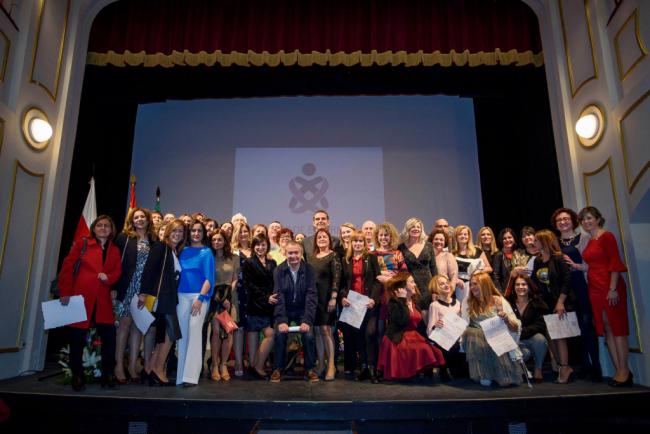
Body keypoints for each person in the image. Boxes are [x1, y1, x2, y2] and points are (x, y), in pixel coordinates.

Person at [58, 215, 122, 391]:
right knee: (77, 338)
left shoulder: (114, 249)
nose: (103, 228)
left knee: (109, 337)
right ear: (94, 228)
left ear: (111, 230)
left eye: (107, 226)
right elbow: (68, 267)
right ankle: (77, 375)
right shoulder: (83, 244)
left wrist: (108, 278)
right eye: (100, 225)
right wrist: (65, 292)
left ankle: (107, 374)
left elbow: (117, 271)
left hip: (102, 299)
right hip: (81, 298)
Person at [579, 206, 632, 387]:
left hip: (610, 286)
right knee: (607, 327)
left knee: (617, 328)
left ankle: (624, 371)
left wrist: (612, 288)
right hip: (594, 288)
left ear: (598, 219)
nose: (586, 222)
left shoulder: (607, 236)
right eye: (584, 219)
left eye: (589, 218)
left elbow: (614, 263)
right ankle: (619, 370)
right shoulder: (591, 240)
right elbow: (590, 265)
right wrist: (577, 266)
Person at [552, 207, 602, 381]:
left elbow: (594, 264)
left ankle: (596, 367)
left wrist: (577, 266)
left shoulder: (585, 238)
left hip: (583, 286)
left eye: (566, 219)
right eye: (559, 220)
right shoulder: (555, 243)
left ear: (573, 221)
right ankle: (583, 366)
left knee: (587, 326)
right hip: (565, 291)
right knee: (574, 331)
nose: (563, 222)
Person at [112, 207, 157, 384]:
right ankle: (118, 366)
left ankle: (132, 366)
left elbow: (153, 268)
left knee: (138, 327)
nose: (139, 220)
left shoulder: (154, 240)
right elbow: (115, 263)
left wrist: (146, 291)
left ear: (148, 220)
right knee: (124, 324)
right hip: (126, 286)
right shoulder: (124, 238)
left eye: (142, 217)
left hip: (144, 290)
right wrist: (114, 286)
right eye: (136, 217)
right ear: (132, 220)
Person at [138, 219, 185, 386]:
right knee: (171, 334)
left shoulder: (174, 251)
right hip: (161, 298)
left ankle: (150, 369)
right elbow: (149, 270)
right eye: (174, 230)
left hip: (169, 298)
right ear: (168, 232)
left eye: (180, 231)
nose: (177, 234)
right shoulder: (160, 247)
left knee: (164, 335)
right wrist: (143, 293)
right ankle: (157, 369)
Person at [378, 273, 444, 381]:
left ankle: (420, 372)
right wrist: (401, 300)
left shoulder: (415, 301)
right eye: (411, 282)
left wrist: (432, 330)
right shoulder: (394, 301)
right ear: (403, 285)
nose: (415, 284)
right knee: (417, 348)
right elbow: (401, 321)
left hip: (412, 335)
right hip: (397, 337)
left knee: (430, 348)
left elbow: (420, 323)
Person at [462, 272, 523, 387]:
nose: (472, 287)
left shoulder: (498, 300)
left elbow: (515, 327)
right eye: (471, 284)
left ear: (485, 285)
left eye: (475, 284)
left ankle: (497, 373)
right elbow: (464, 322)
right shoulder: (468, 301)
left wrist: (505, 318)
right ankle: (484, 373)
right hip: (476, 336)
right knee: (473, 334)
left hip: (495, 335)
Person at [270, 241, 319, 383]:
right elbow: (279, 296)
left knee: (309, 336)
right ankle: (277, 369)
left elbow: (311, 296)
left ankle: (309, 369)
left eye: (296, 253)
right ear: (285, 254)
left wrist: (307, 320)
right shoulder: (279, 270)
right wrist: (282, 321)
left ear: (301, 253)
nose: (293, 256)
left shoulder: (309, 270)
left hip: (303, 310)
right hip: (285, 310)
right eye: (290, 253)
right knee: (279, 334)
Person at [531, 229, 575, 384]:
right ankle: (557, 363)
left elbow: (567, 281)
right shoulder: (537, 260)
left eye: (536, 240)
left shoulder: (559, 258)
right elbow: (534, 282)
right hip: (545, 303)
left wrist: (561, 301)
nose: (533, 243)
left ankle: (565, 367)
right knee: (550, 335)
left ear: (544, 241)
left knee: (560, 335)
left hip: (559, 301)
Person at [176, 220, 215, 386]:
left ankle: (191, 377)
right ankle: (181, 376)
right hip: (181, 297)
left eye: (199, 231)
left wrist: (200, 298)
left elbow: (209, 279)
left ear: (203, 233)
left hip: (199, 297)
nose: (196, 234)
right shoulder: (181, 251)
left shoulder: (207, 252)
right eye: (193, 230)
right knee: (182, 336)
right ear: (188, 233)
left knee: (194, 332)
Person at [340, 231, 382, 383]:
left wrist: (373, 299)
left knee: (370, 334)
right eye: (355, 241)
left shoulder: (371, 258)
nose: (357, 244)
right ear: (351, 243)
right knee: (359, 336)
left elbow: (378, 281)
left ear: (365, 244)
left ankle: (372, 368)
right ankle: (363, 368)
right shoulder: (346, 259)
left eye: (360, 241)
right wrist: (343, 297)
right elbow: (344, 284)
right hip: (353, 305)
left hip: (369, 304)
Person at [307, 229, 342, 381]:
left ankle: (331, 366)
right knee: (317, 331)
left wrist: (334, 297)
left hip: (327, 298)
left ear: (330, 240)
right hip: (314, 299)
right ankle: (320, 364)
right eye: (319, 237)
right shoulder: (310, 257)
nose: (321, 239)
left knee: (326, 330)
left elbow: (337, 277)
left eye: (324, 237)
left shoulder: (333, 255)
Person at [243, 235, 277, 379]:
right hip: (255, 304)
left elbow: (275, 282)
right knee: (266, 335)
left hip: (269, 306)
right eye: (257, 245)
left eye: (263, 245)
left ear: (267, 246)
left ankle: (256, 366)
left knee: (267, 335)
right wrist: (265, 297)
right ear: (253, 246)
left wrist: (273, 297)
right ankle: (256, 366)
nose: (260, 248)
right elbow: (249, 285)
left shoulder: (272, 262)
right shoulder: (249, 263)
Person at [208, 229, 239, 381]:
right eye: (213, 240)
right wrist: (219, 299)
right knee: (215, 332)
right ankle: (214, 364)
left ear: (225, 241)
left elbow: (235, 279)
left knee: (228, 332)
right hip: (214, 300)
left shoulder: (234, 258)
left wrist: (227, 298)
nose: (216, 242)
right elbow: (208, 280)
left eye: (219, 239)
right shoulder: (209, 257)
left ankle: (223, 365)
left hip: (229, 301)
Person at [505, 275, 549, 383]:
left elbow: (541, 324)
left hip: (530, 336)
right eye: (517, 284)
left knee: (541, 340)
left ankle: (538, 368)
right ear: (513, 287)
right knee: (525, 353)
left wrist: (522, 332)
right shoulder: (507, 302)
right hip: (513, 339)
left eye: (524, 284)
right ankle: (520, 368)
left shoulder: (537, 302)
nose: (520, 287)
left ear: (529, 286)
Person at [371, 222, 408, 342]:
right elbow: (369, 275)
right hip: (376, 295)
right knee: (378, 330)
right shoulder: (372, 255)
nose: (383, 238)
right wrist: (382, 274)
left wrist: (389, 279)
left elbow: (404, 274)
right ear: (377, 237)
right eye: (381, 235)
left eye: (386, 235)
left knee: (392, 329)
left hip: (393, 293)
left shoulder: (397, 254)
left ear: (391, 237)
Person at [426, 274, 467, 381]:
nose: (446, 285)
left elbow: (461, 322)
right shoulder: (434, 305)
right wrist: (436, 326)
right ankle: (444, 368)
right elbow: (430, 329)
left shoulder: (457, 302)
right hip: (443, 338)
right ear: (436, 288)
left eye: (446, 282)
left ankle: (453, 368)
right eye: (441, 284)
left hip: (458, 336)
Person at [398, 217, 438, 314]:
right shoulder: (401, 247)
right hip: (411, 287)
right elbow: (400, 269)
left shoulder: (429, 246)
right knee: (414, 315)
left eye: (418, 227)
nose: (416, 229)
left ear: (421, 229)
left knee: (429, 315)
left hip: (428, 286)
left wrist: (436, 290)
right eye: (412, 227)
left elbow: (434, 268)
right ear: (407, 229)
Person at [231, 222, 252, 376]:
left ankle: (251, 362)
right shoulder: (233, 252)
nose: (244, 234)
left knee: (251, 328)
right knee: (239, 328)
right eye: (240, 232)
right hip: (238, 293)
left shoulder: (255, 250)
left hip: (253, 294)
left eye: (246, 231)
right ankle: (238, 361)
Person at [453, 225, 492, 305]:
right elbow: (450, 273)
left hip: (477, 286)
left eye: (465, 234)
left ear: (469, 236)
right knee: (464, 311)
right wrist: (456, 279)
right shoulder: (452, 253)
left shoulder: (477, 250)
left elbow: (489, 268)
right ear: (456, 237)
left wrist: (478, 271)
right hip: (461, 288)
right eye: (460, 234)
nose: (463, 236)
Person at [491, 228, 520, 293]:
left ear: (514, 239)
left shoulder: (519, 253)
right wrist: (500, 293)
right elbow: (495, 277)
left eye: (510, 237)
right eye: (504, 238)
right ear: (501, 241)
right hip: (506, 291)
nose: (507, 240)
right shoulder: (498, 255)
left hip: (519, 290)